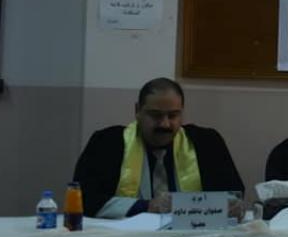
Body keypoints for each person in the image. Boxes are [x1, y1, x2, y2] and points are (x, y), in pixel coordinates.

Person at [73, 77, 244, 218]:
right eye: (155, 115)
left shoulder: (207, 143)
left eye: (173, 115)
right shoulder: (107, 143)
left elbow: (233, 195)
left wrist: (232, 206)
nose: (165, 124)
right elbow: (83, 200)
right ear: (137, 111)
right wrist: (145, 206)